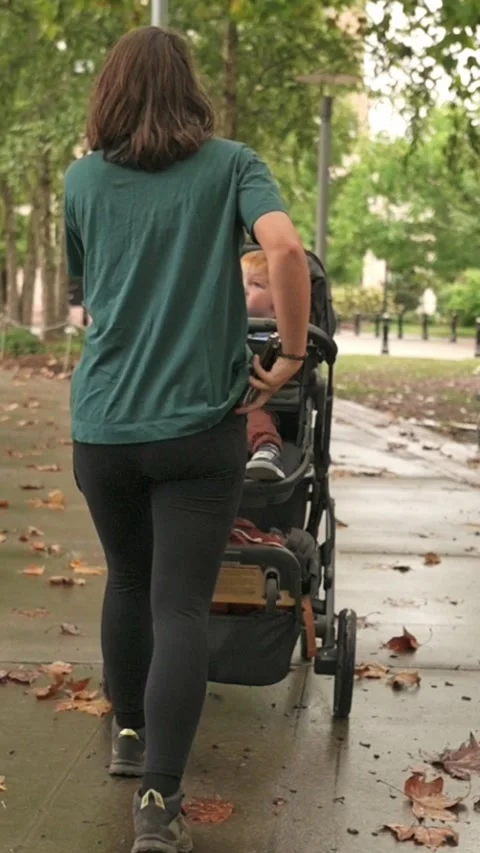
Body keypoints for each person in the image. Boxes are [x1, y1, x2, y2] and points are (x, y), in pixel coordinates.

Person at [64, 25, 310, 853]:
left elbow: (90, 299)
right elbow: (283, 246)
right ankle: (160, 806)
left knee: (127, 582)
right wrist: (291, 354)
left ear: (110, 94)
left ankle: (128, 737)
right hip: (199, 428)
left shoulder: (82, 182)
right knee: (179, 606)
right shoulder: (232, 164)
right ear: (190, 90)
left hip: (102, 426)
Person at [242, 250, 286, 482]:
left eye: (256, 284)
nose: (244, 288)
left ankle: (267, 450)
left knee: (253, 416)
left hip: (257, 402)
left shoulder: (285, 337)